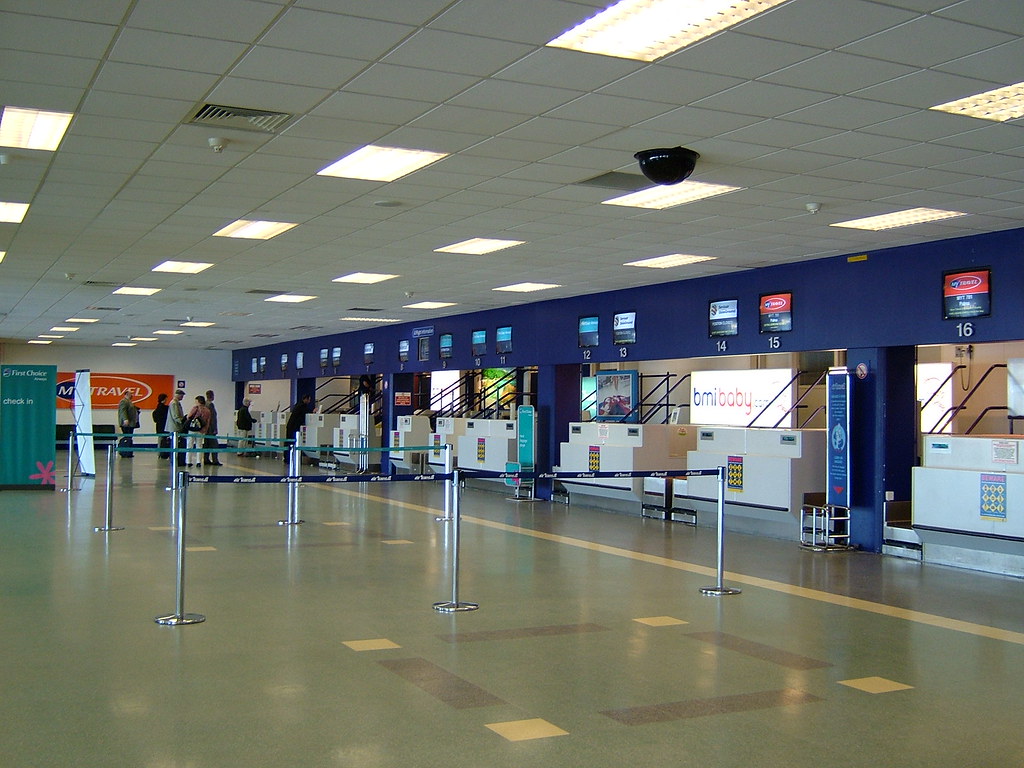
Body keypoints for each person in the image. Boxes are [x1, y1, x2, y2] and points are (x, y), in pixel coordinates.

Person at [283, 393, 312, 463]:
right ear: (306, 399)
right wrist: (313, 412)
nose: (309, 401)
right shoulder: (302, 406)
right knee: (292, 442)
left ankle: (287, 458)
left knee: (289, 442)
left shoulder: (298, 405)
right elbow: (306, 413)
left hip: (290, 426)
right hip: (294, 427)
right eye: (309, 400)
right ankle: (289, 458)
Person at [185, 395, 211, 467]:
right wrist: (205, 430)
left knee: (189, 446)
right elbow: (208, 422)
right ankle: (198, 462)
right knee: (199, 446)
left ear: (198, 401)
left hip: (192, 429)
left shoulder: (195, 408)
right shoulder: (207, 410)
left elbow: (189, 416)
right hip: (201, 430)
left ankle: (188, 461)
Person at [204, 389, 223, 466]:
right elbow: (213, 418)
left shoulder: (204, 404)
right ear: (212, 396)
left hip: (206, 429)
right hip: (211, 429)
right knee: (214, 445)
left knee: (206, 445)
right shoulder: (210, 405)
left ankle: (206, 459)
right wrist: (214, 429)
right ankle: (215, 460)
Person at [116, 393, 139, 458]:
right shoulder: (123, 401)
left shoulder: (129, 402)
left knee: (129, 438)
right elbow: (123, 411)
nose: (132, 395)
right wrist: (125, 419)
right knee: (127, 437)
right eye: (130, 394)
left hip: (131, 423)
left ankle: (128, 452)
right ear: (126, 395)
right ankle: (125, 452)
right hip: (126, 424)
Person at [168, 389, 186, 462]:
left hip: (176, 426)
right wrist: (183, 422)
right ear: (178, 395)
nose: (182, 397)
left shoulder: (176, 403)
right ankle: (174, 459)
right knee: (174, 444)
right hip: (175, 427)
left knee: (175, 444)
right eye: (182, 395)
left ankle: (175, 459)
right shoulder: (174, 403)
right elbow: (175, 416)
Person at [152, 393, 170, 459]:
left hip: (159, 427)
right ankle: (161, 453)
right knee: (163, 440)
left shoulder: (158, 407)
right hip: (163, 427)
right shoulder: (164, 408)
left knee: (160, 440)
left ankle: (160, 453)